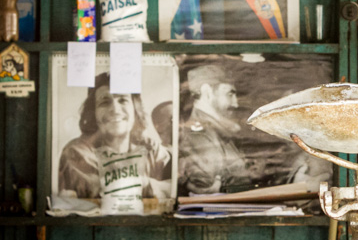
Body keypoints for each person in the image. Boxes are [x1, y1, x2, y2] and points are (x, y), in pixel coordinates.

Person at [57, 72, 172, 200]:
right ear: (93, 113)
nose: (115, 109)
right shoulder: (77, 152)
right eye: (104, 102)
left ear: (135, 109)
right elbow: (107, 194)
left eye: (123, 100)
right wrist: (148, 185)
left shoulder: (150, 148)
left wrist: (143, 185)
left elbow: (176, 187)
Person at [179, 64, 262, 195]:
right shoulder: (199, 135)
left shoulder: (218, 131)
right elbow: (212, 190)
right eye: (229, 94)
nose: (236, 104)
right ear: (207, 92)